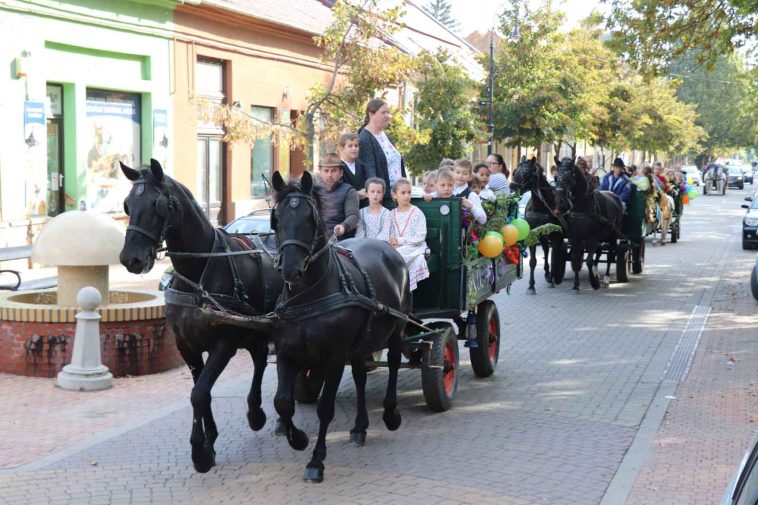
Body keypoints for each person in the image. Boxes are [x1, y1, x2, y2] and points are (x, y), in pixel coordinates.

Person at [358, 98, 406, 198]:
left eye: (388, 112)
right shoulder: (365, 138)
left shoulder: (386, 136)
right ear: (371, 114)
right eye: (383, 112)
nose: (387, 115)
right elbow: (369, 171)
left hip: (398, 196)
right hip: (384, 198)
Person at [388, 179, 429, 291]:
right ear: (395, 195)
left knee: (397, 256)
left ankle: (404, 290)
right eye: (403, 193)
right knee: (388, 255)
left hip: (414, 247)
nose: (407, 196)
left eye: (409, 192)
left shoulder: (416, 212)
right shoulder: (391, 214)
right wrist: (393, 243)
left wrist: (400, 241)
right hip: (396, 247)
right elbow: (390, 234)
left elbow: (420, 237)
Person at [317, 153, 360, 240]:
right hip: (316, 239)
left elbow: (353, 215)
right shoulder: (313, 191)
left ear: (341, 173)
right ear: (320, 172)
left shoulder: (349, 191)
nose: (329, 175)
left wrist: (344, 226)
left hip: (340, 239)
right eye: (326, 171)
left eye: (333, 171)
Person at [338, 133, 367, 200]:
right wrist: (356, 194)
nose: (354, 149)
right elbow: (338, 192)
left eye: (356, 146)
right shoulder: (338, 168)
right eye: (350, 146)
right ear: (342, 148)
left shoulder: (363, 166)